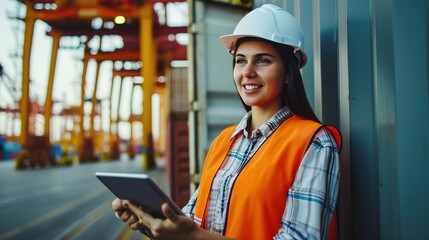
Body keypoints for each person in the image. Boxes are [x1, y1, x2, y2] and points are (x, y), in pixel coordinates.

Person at [112, 3, 341, 240]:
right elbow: (194, 223)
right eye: (241, 61)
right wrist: (151, 223)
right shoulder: (225, 141)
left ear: (287, 73)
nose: (248, 72)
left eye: (263, 61)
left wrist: (194, 237)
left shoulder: (314, 143)